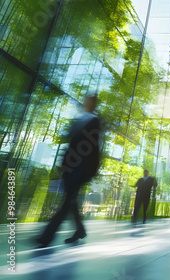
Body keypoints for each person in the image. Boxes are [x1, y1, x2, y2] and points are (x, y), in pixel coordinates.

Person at [36, 95, 102, 247]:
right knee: (70, 200)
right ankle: (80, 230)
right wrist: (63, 165)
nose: (87, 103)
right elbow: (70, 144)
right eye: (86, 100)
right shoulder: (79, 120)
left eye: (90, 101)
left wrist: (91, 170)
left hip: (81, 168)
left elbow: (94, 148)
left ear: (93, 104)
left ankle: (46, 236)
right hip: (70, 167)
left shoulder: (94, 121)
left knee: (67, 201)